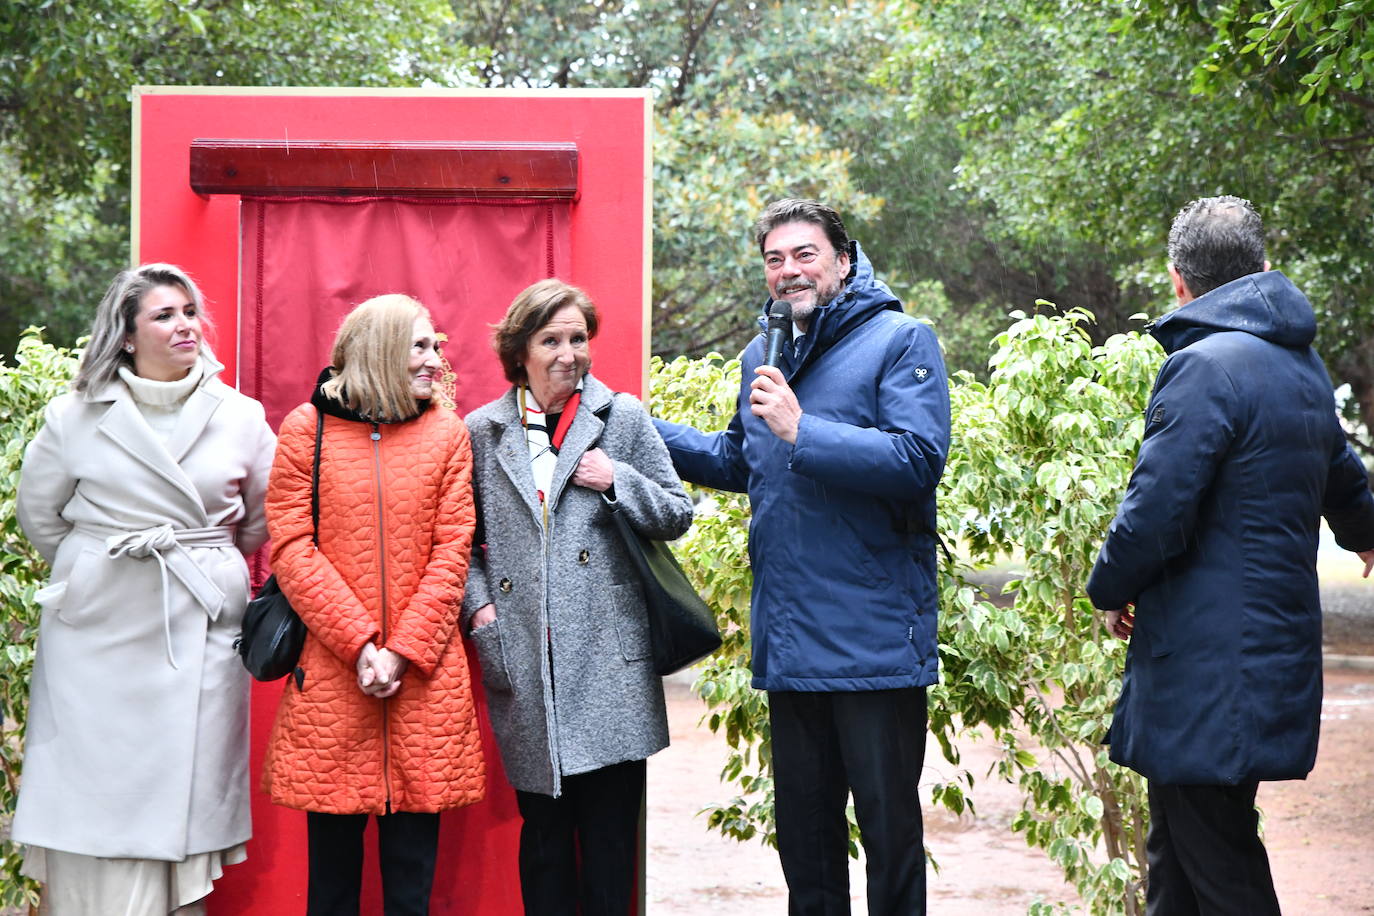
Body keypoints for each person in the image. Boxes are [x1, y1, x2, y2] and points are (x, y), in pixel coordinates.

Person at [652, 198, 950, 915]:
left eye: (805, 254)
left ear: (844, 261)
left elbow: (917, 460)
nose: (789, 271)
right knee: (808, 852)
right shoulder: (766, 352)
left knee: (890, 847)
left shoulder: (902, 340)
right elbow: (739, 458)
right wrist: (638, 425)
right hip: (791, 646)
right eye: (775, 259)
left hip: (875, 647)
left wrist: (802, 428)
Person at [1087, 196, 1374, 915]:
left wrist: (1106, 587)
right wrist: (1366, 530)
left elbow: (1154, 512)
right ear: (1263, 268)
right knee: (1177, 854)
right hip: (1255, 655)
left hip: (1206, 668)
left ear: (1178, 281)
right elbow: (1340, 469)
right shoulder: (1299, 364)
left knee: (1219, 860)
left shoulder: (1204, 368)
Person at [13, 263, 275, 915]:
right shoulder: (73, 415)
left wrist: (199, 562)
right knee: (93, 789)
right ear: (126, 335)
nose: (185, 324)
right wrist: (97, 569)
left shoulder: (240, 415)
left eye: (190, 311)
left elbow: (262, 520)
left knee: (184, 787)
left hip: (199, 624)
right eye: (164, 314)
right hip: (93, 638)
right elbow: (38, 514)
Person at [462, 278, 693, 915]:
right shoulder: (483, 431)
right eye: (552, 340)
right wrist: (482, 612)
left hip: (607, 662)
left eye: (579, 338)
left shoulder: (620, 418)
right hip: (528, 662)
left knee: (611, 842)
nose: (569, 354)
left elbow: (677, 511)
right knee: (544, 843)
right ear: (521, 353)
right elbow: (458, 540)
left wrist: (617, 478)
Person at [260, 294, 484, 916]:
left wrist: (402, 652)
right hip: (333, 677)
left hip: (423, 678)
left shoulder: (447, 432)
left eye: (435, 345)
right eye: (419, 345)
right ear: (380, 348)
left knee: (411, 885)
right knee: (330, 887)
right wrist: (360, 645)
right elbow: (292, 547)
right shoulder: (308, 429)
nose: (434, 358)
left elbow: (453, 550)